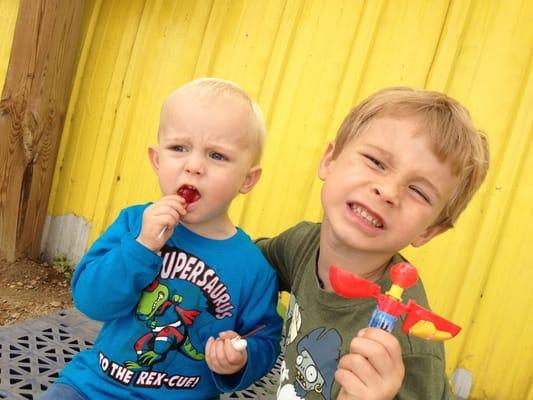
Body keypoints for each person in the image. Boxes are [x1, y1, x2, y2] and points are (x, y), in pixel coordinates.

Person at [40, 78, 283, 399]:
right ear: (157, 160)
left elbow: (265, 338)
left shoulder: (253, 268)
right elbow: (90, 301)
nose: (194, 166)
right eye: (179, 148)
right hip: (94, 387)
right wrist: (140, 247)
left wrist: (241, 357)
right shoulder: (134, 223)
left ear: (247, 179)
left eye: (217, 156)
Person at [257, 87, 490, 400]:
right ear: (330, 159)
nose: (388, 191)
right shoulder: (301, 244)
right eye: (376, 162)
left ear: (429, 231)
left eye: (419, 192)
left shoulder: (410, 346)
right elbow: (249, 265)